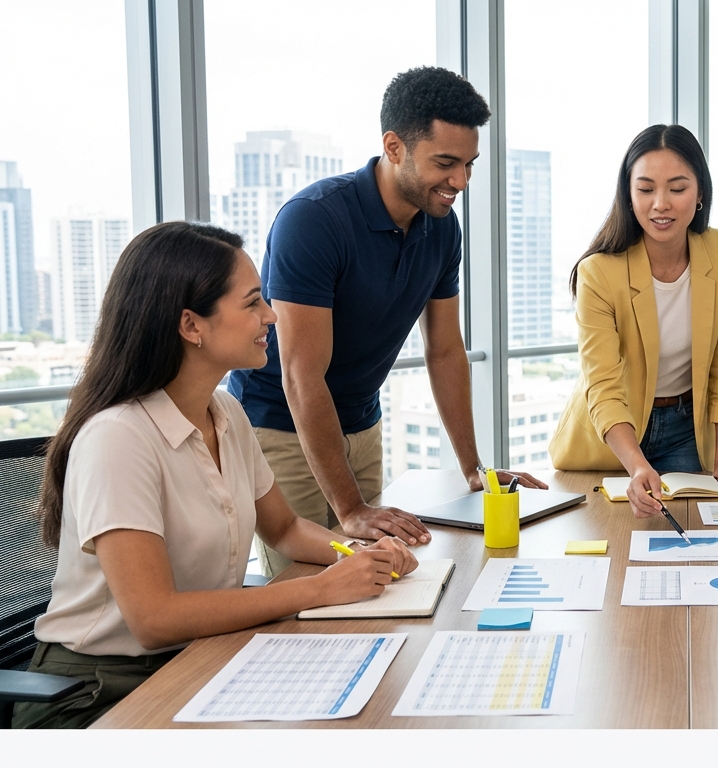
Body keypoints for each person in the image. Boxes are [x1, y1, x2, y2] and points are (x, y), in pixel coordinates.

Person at [17, 222, 417, 729]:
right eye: (252, 303)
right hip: (96, 692)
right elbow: (154, 619)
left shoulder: (225, 411)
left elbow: (286, 530)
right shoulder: (117, 437)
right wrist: (320, 589)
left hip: (199, 660)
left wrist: (359, 556)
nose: (270, 316)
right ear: (191, 325)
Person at [228, 66, 543, 577]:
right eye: (446, 163)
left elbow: (444, 350)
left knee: (375, 581)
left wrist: (473, 471)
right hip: (281, 426)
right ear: (394, 147)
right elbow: (300, 377)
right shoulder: (314, 220)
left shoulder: (442, 229)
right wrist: (350, 509)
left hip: (362, 424)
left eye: (469, 165)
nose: (460, 182)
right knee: (307, 595)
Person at [549, 125, 718, 517]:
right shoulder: (598, 271)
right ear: (629, 196)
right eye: (646, 189)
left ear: (700, 193)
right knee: (613, 546)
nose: (660, 203)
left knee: (689, 545)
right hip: (611, 440)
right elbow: (604, 388)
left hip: (685, 430)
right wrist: (636, 464)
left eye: (677, 189)